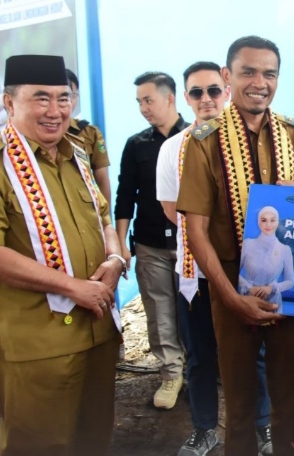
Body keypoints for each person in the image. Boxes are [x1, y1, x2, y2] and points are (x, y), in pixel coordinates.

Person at [176, 36, 294, 456]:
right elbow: (195, 230)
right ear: (228, 76)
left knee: (291, 397)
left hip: (287, 287)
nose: (260, 83)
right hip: (230, 285)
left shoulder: (292, 134)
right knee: (239, 402)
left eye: (269, 73)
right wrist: (230, 298)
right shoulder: (203, 141)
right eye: (248, 72)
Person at [0, 54, 125, 455]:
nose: (55, 111)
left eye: (63, 98)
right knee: (40, 444)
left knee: (94, 438)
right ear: (9, 102)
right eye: (41, 98)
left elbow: (103, 218)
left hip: (98, 332)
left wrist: (115, 259)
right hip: (40, 343)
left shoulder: (77, 155)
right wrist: (73, 287)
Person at [156, 61, 274, 456]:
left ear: (225, 89)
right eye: (196, 92)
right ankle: (204, 428)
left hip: (246, 270)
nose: (205, 98)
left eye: (212, 90)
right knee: (200, 355)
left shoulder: (252, 142)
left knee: (254, 353)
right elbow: (173, 212)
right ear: (185, 98)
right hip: (196, 274)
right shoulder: (174, 147)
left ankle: (262, 426)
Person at [114, 71, 189, 409]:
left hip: (190, 244)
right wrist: (121, 242)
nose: (143, 108)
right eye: (139, 102)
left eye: (148, 100)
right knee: (159, 310)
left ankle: (198, 369)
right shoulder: (136, 145)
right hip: (149, 243)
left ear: (169, 98)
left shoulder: (195, 137)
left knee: (192, 309)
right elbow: (125, 194)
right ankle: (171, 373)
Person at [65, 68, 112, 207]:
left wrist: (105, 217)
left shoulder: (89, 133)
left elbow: (102, 179)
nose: (66, 102)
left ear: (77, 97)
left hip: (85, 208)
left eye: (70, 96)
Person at [239, 206, 294, 314]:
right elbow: (234, 272)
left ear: (277, 222)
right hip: (247, 300)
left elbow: (290, 281)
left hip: (273, 304)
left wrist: (271, 288)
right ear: (258, 222)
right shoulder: (248, 244)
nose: (268, 225)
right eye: (264, 220)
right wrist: (249, 287)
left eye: (272, 220)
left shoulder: (284, 249)